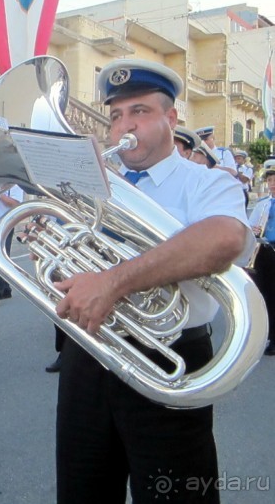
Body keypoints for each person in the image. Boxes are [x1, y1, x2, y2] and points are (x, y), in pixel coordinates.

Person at [53, 59, 254, 504]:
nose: (124, 126)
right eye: (116, 116)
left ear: (171, 119)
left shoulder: (205, 183)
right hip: (88, 353)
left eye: (139, 112)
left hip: (169, 355)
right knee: (81, 490)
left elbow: (223, 238)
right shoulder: (96, 183)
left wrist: (112, 282)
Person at [247, 161, 275, 356]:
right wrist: (253, 229)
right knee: (266, 295)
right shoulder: (263, 204)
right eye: (270, 180)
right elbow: (248, 227)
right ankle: (269, 334)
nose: (273, 183)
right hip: (265, 250)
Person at [0, 185, 24, 307]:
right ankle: (5, 288)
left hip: (4, 223)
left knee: (0, 257)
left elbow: (15, 203)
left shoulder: (13, 184)